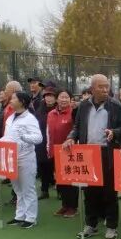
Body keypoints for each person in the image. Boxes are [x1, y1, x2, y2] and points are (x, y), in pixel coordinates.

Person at [66, 74, 121, 239]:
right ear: (92, 89)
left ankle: (111, 226)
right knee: (90, 192)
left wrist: (114, 132)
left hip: (107, 153)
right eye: (101, 87)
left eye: (107, 86)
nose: (105, 90)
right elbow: (77, 126)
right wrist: (71, 137)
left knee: (109, 192)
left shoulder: (115, 106)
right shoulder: (83, 106)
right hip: (88, 154)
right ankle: (91, 224)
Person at [0, 92, 43, 228]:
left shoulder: (30, 119)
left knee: (28, 188)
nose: (11, 100)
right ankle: (19, 216)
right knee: (17, 189)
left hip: (26, 158)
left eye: (14, 98)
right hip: (11, 158)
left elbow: (38, 138)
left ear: (22, 102)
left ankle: (31, 218)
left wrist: (24, 137)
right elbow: (7, 138)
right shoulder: (10, 118)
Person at [47, 89, 77, 217]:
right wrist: (49, 149)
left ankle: (73, 207)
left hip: (70, 152)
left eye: (66, 97)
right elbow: (48, 133)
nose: (63, 99)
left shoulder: (74, 113)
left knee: (71, 181)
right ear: (56, 99)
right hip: (55, 151)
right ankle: (65, 205)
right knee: (60, 180)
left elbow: (77, 131)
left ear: (70, 100)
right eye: (61, 97)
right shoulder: (51, 114)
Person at [34, 85, 57, 200]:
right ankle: (44, 190)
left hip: (55, 141)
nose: (49, 98)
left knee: (56, 166)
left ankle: (60, 190)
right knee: (43, 165)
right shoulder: (40, 108)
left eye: (51, 96)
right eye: (47, 96)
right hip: (42, 142)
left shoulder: (58, 109)